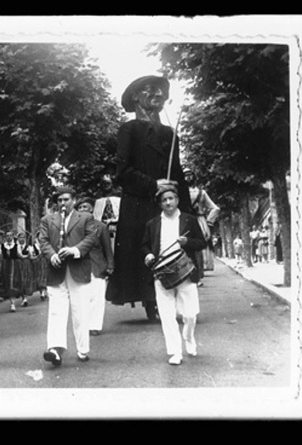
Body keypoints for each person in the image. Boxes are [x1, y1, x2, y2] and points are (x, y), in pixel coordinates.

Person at [105, 75, 191, 319]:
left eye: (162, 90)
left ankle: (173, 298)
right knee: (146, 252)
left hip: (167, 205)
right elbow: (122, 174)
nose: (158, 93)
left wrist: (188, 213)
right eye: (150, 89)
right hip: (139, 205)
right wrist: (153, 184)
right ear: (135, 97)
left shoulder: (170, 133)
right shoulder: (128, 130)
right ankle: (151, 302)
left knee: (172, 248)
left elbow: (179, 175)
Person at [142, 185, 206, 365]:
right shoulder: (152, 224)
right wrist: (148, 255)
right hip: (162, 273)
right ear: (160, 204)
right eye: (164, 200)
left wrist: (187, 242)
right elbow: (145, 245)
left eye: (171, 198)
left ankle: (188, 336)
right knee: (166, 314)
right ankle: (175, 351)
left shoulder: (189, 220)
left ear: (177, 200)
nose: (168, 202)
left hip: (185, 270)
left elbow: (201, 243)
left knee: (191, 314)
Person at [39, 186, 97, 366]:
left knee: (80, 312)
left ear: (74, 200)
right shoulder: (47, 220)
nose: (63, 203)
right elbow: (43, 240)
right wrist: (52, 255)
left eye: (66, 199)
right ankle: (55, 349)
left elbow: (91, 238)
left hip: (78, 268)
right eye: (59, 200)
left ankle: (82, 349)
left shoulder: (86, 217)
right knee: (56, 311)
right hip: (56, 271)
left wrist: (75, 250)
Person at [76, 197, 114, 336]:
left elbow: (107, 248)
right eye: (80, 208)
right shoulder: (75, 227)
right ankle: (83, 324)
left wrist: (110, 265)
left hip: (98, 265)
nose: (83, 210)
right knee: (82, 297)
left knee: (97, 298)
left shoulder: (101, 227)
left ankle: (94, 326)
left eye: (85, 207)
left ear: (91, 209)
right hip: (80, 266)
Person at [183, 168, 220, 285]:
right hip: (184, 220)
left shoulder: (201, 193)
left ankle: (197, 276)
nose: (188, 178)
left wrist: (208, 222)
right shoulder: (178, 192)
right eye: (185, 175)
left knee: (197, 248)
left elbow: (215, 208)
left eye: (190, 175)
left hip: (198, 220)